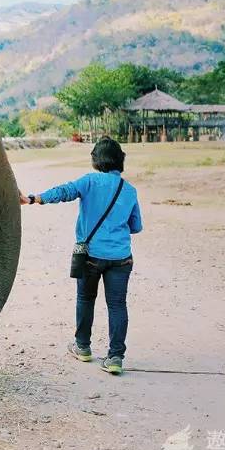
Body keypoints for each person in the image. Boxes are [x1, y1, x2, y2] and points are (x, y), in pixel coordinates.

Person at [21, 137, 142, 374]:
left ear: (96, 160)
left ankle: (83, 347)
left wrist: (35, 198)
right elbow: (136, 226)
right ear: (120, 161)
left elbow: (64, 191)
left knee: (86, 299)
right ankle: (115, 357)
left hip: (91, 255)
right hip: (121, 257)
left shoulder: (90, 181)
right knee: (117, 305)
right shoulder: (129, 190)